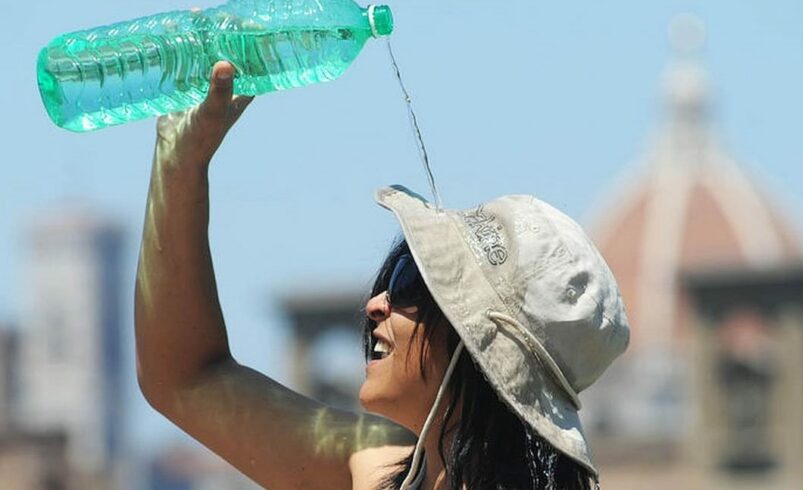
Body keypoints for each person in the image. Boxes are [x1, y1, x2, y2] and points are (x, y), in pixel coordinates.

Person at [135, 62, 630, 490]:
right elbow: (187, 379)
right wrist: (181, 164)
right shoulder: (378, 470)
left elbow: (189, 381)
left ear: (481, 350)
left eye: (414, 283)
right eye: (389, 275)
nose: (375, 303)